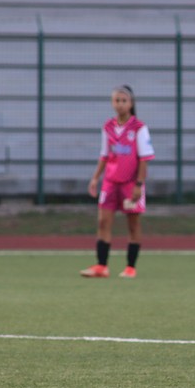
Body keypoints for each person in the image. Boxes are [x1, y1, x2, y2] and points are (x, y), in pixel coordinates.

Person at [80, 85, 155, 279]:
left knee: (132, 224)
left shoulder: (139, 128)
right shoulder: (108, 126)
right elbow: (105, 155)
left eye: (124, 100)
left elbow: (145, 158)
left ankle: (130, 267)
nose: (120, 104)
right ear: (112, 103)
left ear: (131, 103)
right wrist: (96, 178)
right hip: (110, 182)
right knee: (103, 221)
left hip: (131, 183)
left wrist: (139, 185)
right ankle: (101, 266)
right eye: (117, 100)